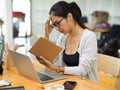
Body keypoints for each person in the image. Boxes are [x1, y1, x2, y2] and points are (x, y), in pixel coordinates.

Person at [36, 1, 98, 82]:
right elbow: (50, 59)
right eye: (54, 25)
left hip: (86, 85)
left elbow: (83, 71)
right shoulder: (63, 37)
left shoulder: (89, 37)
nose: (57, 28)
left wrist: (55, 68)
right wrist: (47, 35)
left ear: (69, 16)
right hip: (68, 82)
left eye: (58, 23)